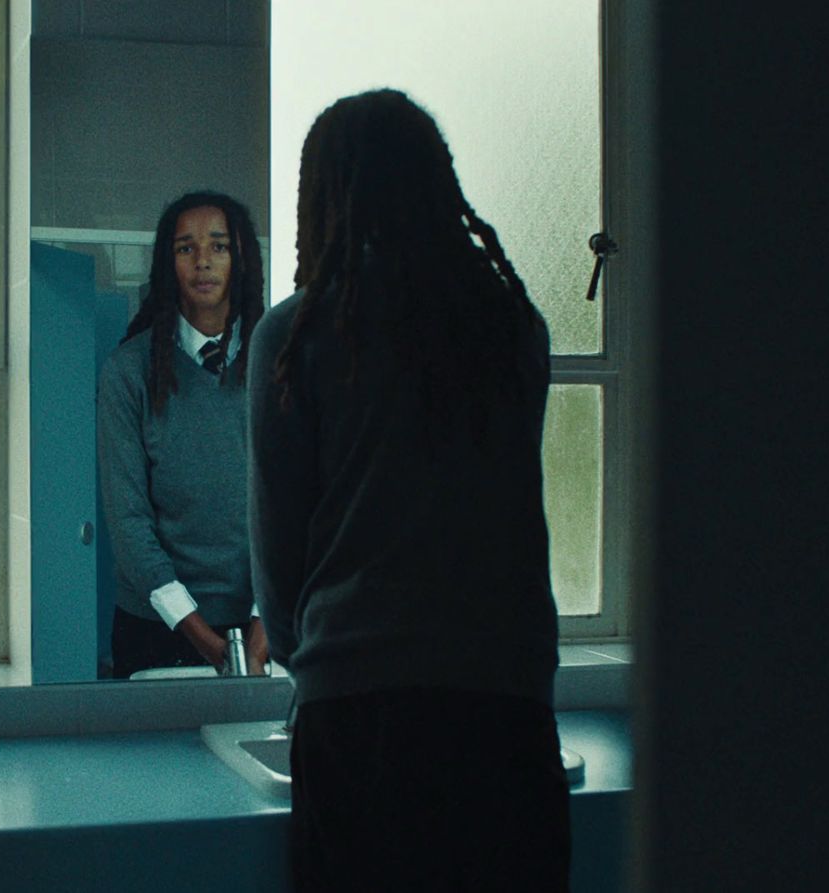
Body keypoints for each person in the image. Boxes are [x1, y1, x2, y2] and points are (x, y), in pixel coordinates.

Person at [247, 89, 570, 890]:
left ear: (321, 195)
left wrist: (311, 658)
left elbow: (280, 563)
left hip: (360, 715)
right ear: (438, 183)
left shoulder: (297, 337)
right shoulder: (510, 329)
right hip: (506, 705)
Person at [96, 191, 269, 679]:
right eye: (185, 248)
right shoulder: (128, 371)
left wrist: (262, 631)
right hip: (159, 627)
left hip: (265, 621)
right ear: (168, 264)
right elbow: (129, 522)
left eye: (219, 246)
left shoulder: (280, 362)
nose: (203, 263)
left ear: (240, 260)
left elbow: (301, 505)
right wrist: (208, 642)